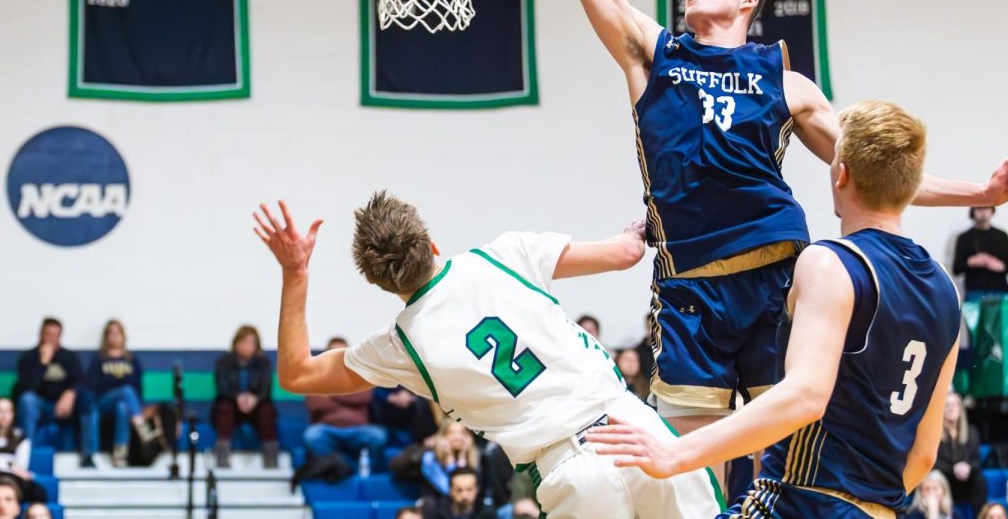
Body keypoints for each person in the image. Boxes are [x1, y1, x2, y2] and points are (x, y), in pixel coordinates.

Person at [458, 0, 1008, 465]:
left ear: (749, 0)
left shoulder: (786, 83)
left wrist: (984, 194)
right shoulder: (653, 53)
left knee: (784, 461)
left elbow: (883, 174)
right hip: (690, 288)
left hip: (777, 281)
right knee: (674, 472)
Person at [587, 100, 964, 519]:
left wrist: (676, 453)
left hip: (801, 502)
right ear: (910, 188)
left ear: (841, 175)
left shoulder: (831, 263)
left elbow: (804, 396)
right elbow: (924, 456)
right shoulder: (947, 290)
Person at [252, 197, 722, 519]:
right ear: (432, 243)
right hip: (633, 428)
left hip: (569, 471)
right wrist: (635, 231)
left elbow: (296, 373)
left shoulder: (402, 346)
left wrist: (295, 272)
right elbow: (624, 254)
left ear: (382, 285)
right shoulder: (504, 254)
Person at [14, 317, 95, 467]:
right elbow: (27, 388)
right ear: (41, 334)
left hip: (65, 407)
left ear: (60, 336)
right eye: (47, 334)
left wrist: (70, 392)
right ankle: (26, 456)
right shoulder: (28, 358)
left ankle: (88, 456)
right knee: (27, 400)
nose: (51, 338)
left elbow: (80, 381)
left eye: (55, 335)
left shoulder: (69, 357)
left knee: (88, 401)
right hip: (40, 406)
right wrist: (43, 363)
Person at [303, 337, 388, 468]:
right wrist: (349, 391)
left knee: (378, 435)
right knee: (312, 435)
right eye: (334, 352)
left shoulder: (360, 375)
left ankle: (358, 470)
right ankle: (335, 467)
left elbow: (364, 397)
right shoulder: (316, 377)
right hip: (327, 430)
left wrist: (329, 392)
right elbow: (316, 405)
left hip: (358, 430)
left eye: (342, 352)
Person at [84, 319, 152, 467]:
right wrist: (118, 385)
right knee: (125, 391)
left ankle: (120, 454)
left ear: (123, 336)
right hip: (103, 404)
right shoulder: (99, 360)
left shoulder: (132, 360)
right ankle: (142, 427)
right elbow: (93, 386)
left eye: (117, 333)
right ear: (106, 336)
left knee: (123, 407)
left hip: (123, 407)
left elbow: (138, 388)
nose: (114, 336)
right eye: (111, 333)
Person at [213, 325, 278, 469]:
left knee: (267, 410)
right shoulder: (223, 362)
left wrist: (254, 399)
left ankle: (271, 461)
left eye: (251, 343)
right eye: (244, 342)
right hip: (232, 405)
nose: (247, 346)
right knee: (224, 408)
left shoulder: (264, 363)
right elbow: (222, 388)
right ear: (236, 343)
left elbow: (266, 389)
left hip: (256, 407)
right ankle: (222, 460)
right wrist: (237, 397)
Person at [0, 398, 44, 504]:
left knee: (39, 492)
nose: (4, 416)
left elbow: (21, 468)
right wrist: (9, 465)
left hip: (13, 480)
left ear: (13, 414)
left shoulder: (21, 437)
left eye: (8, 411)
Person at [935, 391, 986, 514]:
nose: (951, 408)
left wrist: (967, 467)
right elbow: (933, 462)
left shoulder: (971, 432)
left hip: (964, 481)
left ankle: (980, 515)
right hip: (944, 478)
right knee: (935, 479)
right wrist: (953, 469)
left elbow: (976, 459)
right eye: (947, 405)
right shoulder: (934, 434)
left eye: (954, 405)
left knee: (979, 479)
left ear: (960, 409)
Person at [952, 207, 1008, 296]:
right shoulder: (964, 237)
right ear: (973, 211)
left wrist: (991, 262)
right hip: (974, 292)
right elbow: (956, 269)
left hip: (999, 292)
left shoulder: (1002, 236)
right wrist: (973, 262)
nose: (983, 212)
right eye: (979, 208)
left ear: (992, 210)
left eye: (986, 208)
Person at [421, 421, 480, 502]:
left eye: (462, 433)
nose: (458, 437)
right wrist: (450, 462)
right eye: (452, 433)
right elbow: (447, 490)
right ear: (442, 437)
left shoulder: (475, 457)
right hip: (438, 503)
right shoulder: (430, 458)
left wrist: (462, 458)